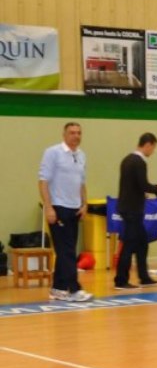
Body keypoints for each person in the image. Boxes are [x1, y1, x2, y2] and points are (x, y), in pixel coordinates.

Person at [38, 122, 92, 302]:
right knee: (67, 251)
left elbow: (81, 183)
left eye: (79, 133)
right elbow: (43, 182)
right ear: (64, 134)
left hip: (74, 208)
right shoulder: (53, 153)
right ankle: (74, 289)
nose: (76, 136)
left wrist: (85, 204)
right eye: (72, 133)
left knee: (66, 250)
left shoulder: (81, 155)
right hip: (58, 207)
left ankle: (58, 288)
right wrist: (49, 207)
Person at [113, 133, 157, 289]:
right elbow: (144, 185)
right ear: (148, 145)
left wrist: (144, 191)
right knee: (129, 244)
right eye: (153, 148)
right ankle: (120, 280)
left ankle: (144, 276)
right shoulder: (139, 162)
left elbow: (133, 185)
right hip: (133, 209)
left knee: (142, 243)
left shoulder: (127, 159)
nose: (152, 152)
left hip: (127, 206)